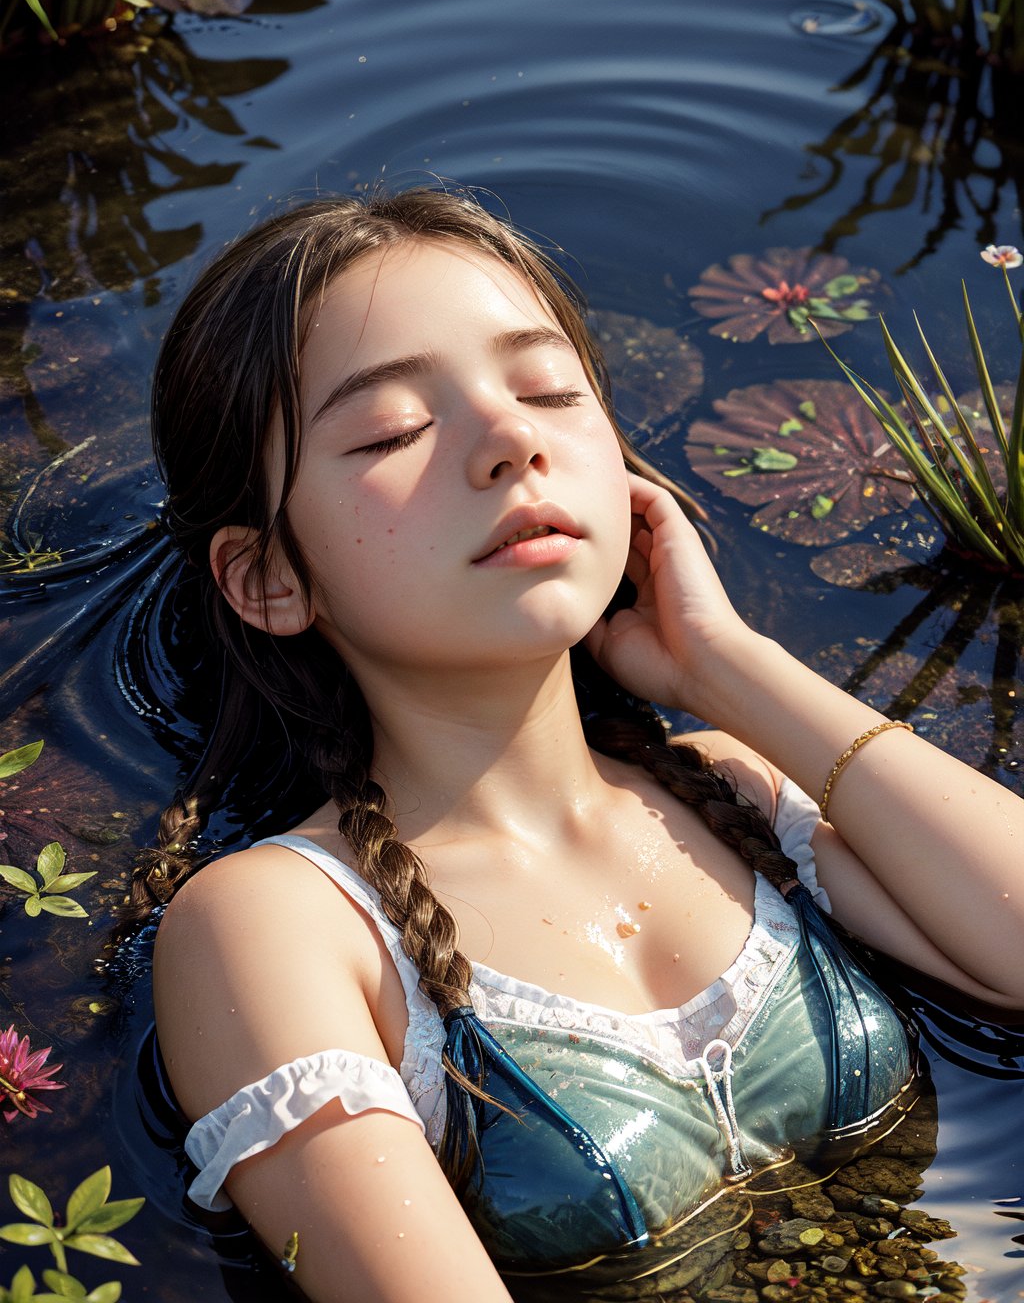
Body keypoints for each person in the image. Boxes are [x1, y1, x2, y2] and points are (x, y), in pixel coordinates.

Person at [134, 187, 1024, 1303]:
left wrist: (724, 666)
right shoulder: (279, 926)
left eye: (550, 391)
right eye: (392, 429)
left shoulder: (730, 791)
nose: (511, 440)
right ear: (268, 577)